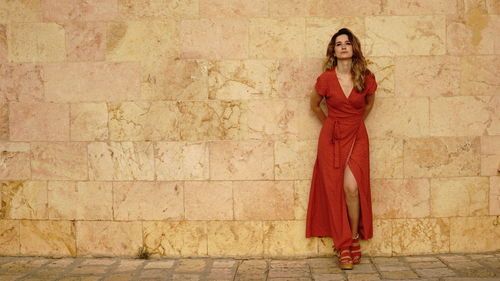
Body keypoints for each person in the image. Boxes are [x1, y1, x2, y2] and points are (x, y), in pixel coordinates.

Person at [306, 28, 377, 270]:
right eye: (339, 44)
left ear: (353, 48)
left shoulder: (365, 76)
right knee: (334, 190)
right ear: (333, 51)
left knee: (351, 188)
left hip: (357, 135)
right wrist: (330, 125)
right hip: (331, 138)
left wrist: (354, 123)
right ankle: (344, 245)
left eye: (347, 43)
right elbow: (315, 105)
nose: (343, 47)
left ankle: (354, 237)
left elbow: (368, 105)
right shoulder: (325, 79)